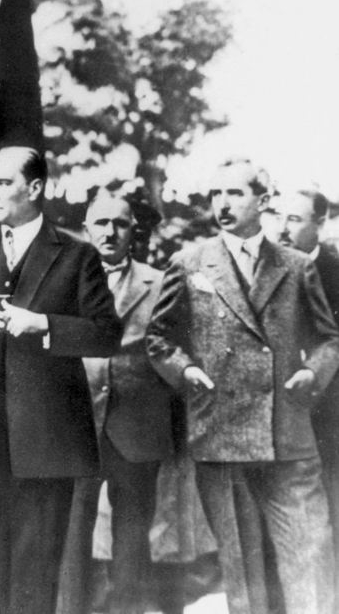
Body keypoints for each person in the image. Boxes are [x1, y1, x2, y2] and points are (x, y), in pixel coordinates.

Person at [0, 146, 122, 614]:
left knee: (34, 571)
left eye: (2, 183)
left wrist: (45, 325)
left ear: (35, 188)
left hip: (44, 440)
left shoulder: (77, 255)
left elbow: (106, 334)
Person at [146, 157, 339, 614]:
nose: (223, 204)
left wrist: (313, 372)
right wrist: (185, 370)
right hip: (222, 433)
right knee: (244, 573)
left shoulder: (295, 266)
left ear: (263, 200)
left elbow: (329, 339)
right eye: (216, 194)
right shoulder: (189, 262)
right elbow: (158, 338)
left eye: (235, 193)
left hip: (287, 433)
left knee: (310, 557)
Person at [57, 192, 174, 614]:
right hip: (77, 424)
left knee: (133, 536)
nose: (110, 232)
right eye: (101, 223)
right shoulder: (63, 281)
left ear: (133, 231)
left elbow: (171, 348)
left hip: (136, 426)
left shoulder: (159, 283)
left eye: (120, 224)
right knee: (72, 533)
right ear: (86, 229)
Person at [277, 188, 339, 608]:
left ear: (320, 222)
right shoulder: (273, 268)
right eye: (280, 218)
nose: (284, 228)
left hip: (332, 413)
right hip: (288, 414)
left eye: (295, 219)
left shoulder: (335, 272)